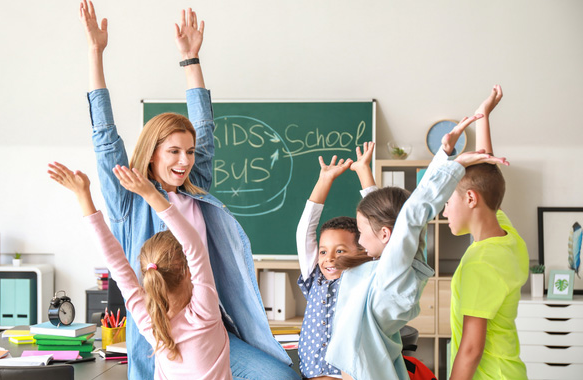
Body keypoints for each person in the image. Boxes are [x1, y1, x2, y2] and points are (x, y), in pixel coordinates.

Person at [79, 1, 297, 379]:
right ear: (152, 154)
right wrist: (96, 53)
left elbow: (204, 125)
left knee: (280, 376)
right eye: (174, 151)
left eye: (191, 152)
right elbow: (104, 138)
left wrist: (190, 59)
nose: (185, 161)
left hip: (209, 327)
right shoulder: (129, 198)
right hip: (159, 336)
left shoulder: (196, 190)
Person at [325, 115, 510, 380]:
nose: (359, 241)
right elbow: (393, 218)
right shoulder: (399, 266)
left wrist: (454, 164)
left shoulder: (392, 276)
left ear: (387, 235)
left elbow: (410, 217)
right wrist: (443, 154)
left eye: (362, 233)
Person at [48, 162, 231, 379]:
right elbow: (194, 245)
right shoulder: (204, 312)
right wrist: (151, 194)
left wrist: (83, 195)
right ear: (186, 269)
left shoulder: (151, 324)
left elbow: (116, 263)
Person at [446, 85, 529, 380]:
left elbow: (470, 350)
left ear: (469, 200)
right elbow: (484, 178)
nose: (443, 212)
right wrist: (484, 116)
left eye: (447, 202)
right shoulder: (508, 237)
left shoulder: (481, 262)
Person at [295, 142, 375, 379]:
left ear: (362, 252)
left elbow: (381, 226)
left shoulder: (363, 278)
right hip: (311, 375)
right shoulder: (315, 278)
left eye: (340, 251)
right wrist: (325, 180)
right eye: (323, 251)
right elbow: (305, 231)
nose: (329, 258)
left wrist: (363, 171)